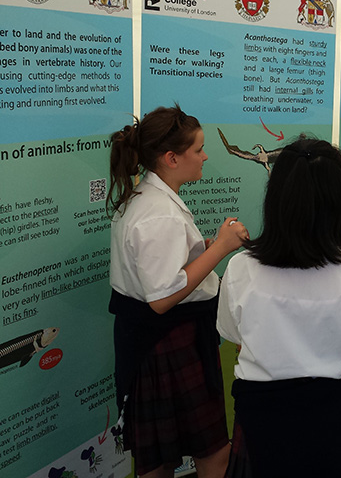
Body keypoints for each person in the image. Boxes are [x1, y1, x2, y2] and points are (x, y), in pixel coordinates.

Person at [217, 136, 341, 478]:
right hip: (332, 418)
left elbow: (239, 342)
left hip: (259, 419)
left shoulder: (241, 267)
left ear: (276, 197)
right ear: (340, 200)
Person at [107, 104, 249, 478]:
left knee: (156, 461)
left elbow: (159, 270)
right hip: (167, 343)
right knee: (213, 455)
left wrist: (201, 246)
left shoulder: (147, 200)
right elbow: (162, 298)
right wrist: (220, 248)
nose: (205, 156)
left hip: (153, 344)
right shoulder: (159, 213)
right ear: (171, 158)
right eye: (198, 150)